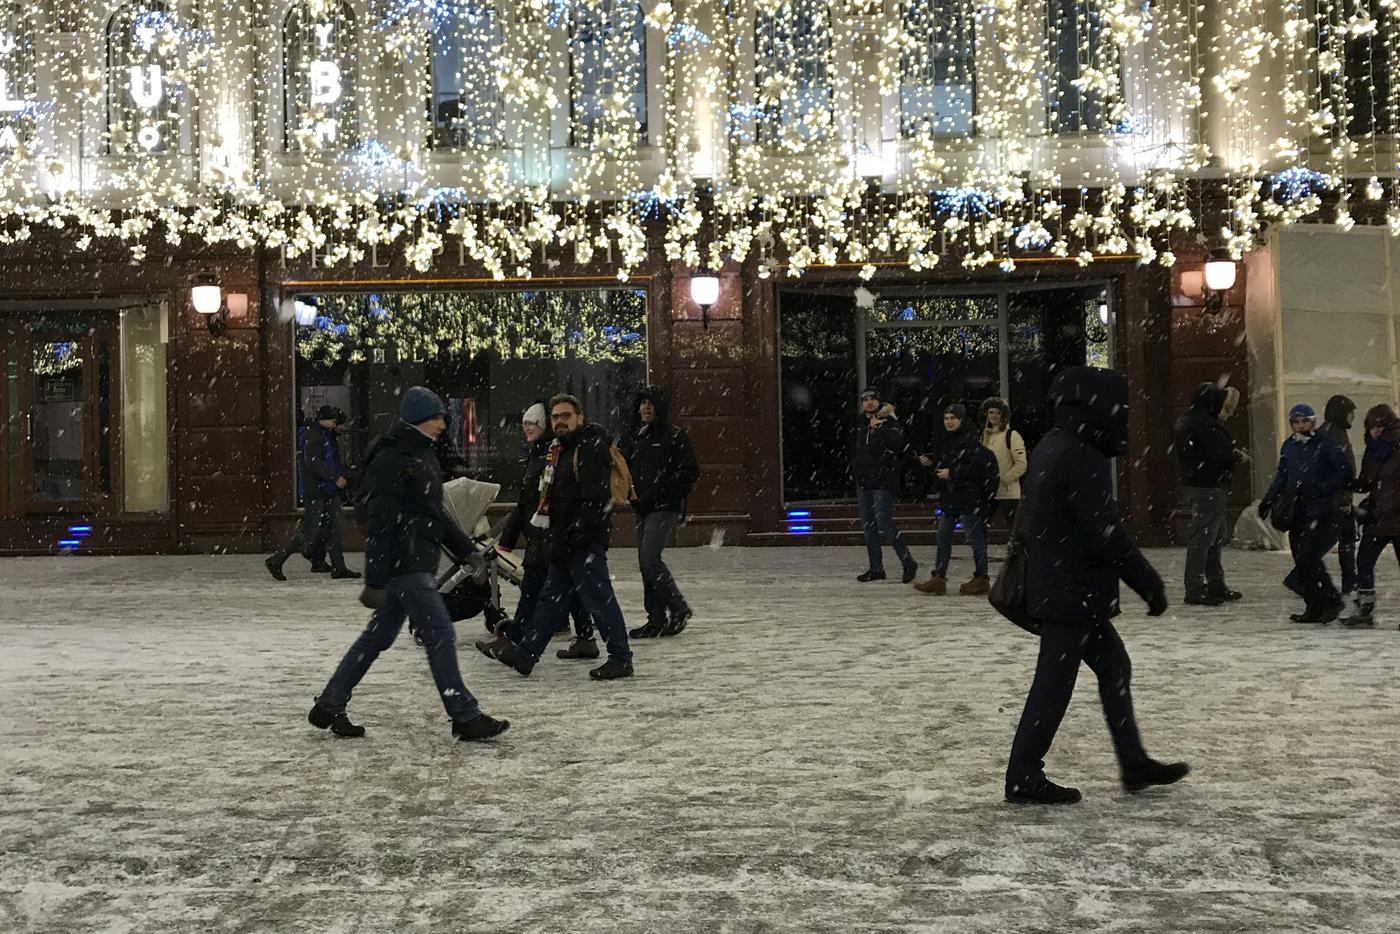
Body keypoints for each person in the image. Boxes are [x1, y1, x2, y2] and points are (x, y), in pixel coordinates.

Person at [1005, 366, 1187, 805]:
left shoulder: (1055, 444)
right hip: (1071, 592)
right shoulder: (1079, 455)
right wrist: (1148, 583)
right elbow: (1105, 532)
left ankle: (1133, 762)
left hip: (1064, 585)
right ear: (1098, 407)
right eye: (1119, 407)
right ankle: (1023, 774)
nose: (1123, 416)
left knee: (1113, 666)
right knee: (1053, 683)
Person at [307, 386, 509, 743]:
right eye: (436, 418)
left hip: (415, 560)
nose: (442, 424)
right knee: (440, 634)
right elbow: (381, 521)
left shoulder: (422, 453)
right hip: (406, 564)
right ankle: (464, 715)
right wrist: (374, 580)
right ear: (418, 419)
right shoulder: (392, 458)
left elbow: (436, 514)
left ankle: (329, 703)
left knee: (377, 638)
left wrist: (467, 551)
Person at [490, 394, 635, 680]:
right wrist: (555, 535)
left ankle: (621, 658)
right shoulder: (559, 450)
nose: (560, 421)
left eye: (566, 416)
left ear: (580, 418)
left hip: (583, 541)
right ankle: (525, 655)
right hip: (562, 540)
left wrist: (572, 533)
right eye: (555, 417)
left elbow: (594, 501)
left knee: (599, 599)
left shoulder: (590, 448)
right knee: (550, 601)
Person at [478, 403, 599, 660]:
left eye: (532, 423)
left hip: (546, 533)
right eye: (524, 423)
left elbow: (542, 499)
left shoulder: (551, 455)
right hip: (543, 532)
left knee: (535, 589)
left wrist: (549, 531)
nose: (526, 428)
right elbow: (526, 501)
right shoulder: (539, 453)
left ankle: (516, 642)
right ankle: (585, 638)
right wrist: (509, 538)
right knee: (565, 587)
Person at [1259, 403, 1353, 624]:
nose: (1301, 426)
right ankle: (1313, 604)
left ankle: (1330, 598)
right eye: (1296, 422)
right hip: (1297, 509)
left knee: (1309, 556)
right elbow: (1282, 476)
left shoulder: (1325, 443)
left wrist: (1323, 488)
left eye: (1305, 421)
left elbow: (1344, 472)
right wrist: (1268, 500)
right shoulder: (1289, 446)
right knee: (1300, 559)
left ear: (1313, 422)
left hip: (1321, 509)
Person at [620, 386, 702, 637]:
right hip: (642, 507)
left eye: (651, 403)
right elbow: (623, 467)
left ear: (660, 408)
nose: (645, 407)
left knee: (650, 559)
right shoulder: (636, 436)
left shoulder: (674, 436)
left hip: (664, 507)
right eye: (642, 403)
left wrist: (660, 491)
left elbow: (689, 471)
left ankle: (678, 608)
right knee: (646, 563)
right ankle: (655, 618)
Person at [266, 405, 360, 581]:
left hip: (326, 489)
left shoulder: (325, 435)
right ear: (327, 420)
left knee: (333, 527)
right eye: (335, 422)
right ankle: (277, 560)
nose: (337, 426)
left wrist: (339, 475)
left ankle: (337, 566)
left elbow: (324, 461)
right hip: (317, 490)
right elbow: (313, 462)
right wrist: (335, 476)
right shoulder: (314, 435)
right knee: (311, 530)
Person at [914, 404, 998, 596]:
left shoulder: (970, 441)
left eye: (953, 418)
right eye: (946, 418)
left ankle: (981, 578)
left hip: (969, 498)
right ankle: (939, 577)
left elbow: (979, 468)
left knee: (975, 538)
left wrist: (953, 473)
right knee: (943, 536)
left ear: (961, 420)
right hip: (952, 497)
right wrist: (934, 462)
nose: (949, 422)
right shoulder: (947, 440)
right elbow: (951, 461)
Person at [1173, 383, 1245, 605]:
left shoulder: (1188, 420)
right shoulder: (1204, 423)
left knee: (1212, 536)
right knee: (1205, 539)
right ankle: (1196, 588)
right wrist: (1236, 457)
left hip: (1198, 484)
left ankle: (1214, 584)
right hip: (1209, 486)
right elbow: (1220, 453)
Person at [850, 387, 917, 583]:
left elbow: (898, 444)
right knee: (868, 526)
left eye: (872, 399)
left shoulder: (889, 421)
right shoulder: (860, 423)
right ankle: (876, 568)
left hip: (883, 480)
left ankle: (907, 561)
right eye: (865, 400)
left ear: (879, 401)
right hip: (864, 480)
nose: (869, 402)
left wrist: (882, 429)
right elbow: (856, 448)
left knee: (883, 521)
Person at [1346, 404, 1400, 628]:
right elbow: (1368, 481)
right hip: (1377, 519)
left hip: (1394, 518)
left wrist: (1380, 509)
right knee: (1364, 562)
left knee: (1366, 561)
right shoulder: (1373, 450)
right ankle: (1365, 609)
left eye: (1381, 426)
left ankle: (1365, 610)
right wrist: (1348, 483)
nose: (1375, 431)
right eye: (1371, 427)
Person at [1318, 395, 1359, 610]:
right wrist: (1344, 499)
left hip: (1331, 497)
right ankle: (1301, 576)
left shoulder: (1329, 431)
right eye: (1350, 413)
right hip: (1335, 499)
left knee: (1345, 539)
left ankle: (1350, 581)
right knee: (1334, 540)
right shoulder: (1335, 435)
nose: (1353, 417)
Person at [979, 397, 1027, 527]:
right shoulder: (984, 436)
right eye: (991, 412)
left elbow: (1021, 464)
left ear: (1003, 415)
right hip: (988, 493)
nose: (994, 416)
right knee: (982, 530)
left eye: (998, 413)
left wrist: (1004, 479)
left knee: (1014, 530)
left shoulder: (1012, 435)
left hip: (1008, 494)